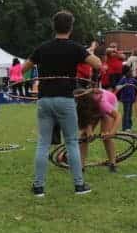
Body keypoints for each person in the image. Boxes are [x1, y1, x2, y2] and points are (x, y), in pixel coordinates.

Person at [21, 10, 102, 197]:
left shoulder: (42, 48)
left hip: (45, 99)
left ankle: (39, 187)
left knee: (43, 143)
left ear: (53, 26)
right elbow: (97, 64)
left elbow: (23, 69)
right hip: (65, 99)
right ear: (70, 28)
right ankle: (79, 185)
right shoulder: (75, 48)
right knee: (72, 142)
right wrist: (88, 52)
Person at [75, 88, 122, 171]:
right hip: (92, 109)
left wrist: (112, 132)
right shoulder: (82, 107)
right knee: (84, 137)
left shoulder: (103, 104)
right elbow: (85, 118)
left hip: (109, 105)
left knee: (106, 136)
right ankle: (81, 166)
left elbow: (118, 116)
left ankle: (112, 164)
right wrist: (88, 131)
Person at [115, 65, 137, 132]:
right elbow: (117, 87)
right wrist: (124, 85)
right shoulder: (123, 79)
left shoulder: (132, 79)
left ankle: (129, 126)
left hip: (132, 99)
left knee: (130, 113)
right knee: (126, 113)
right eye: (130, 71)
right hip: (126, 99)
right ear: (126, 73)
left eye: (131, 71)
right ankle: (125, 127)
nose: (131, 72)